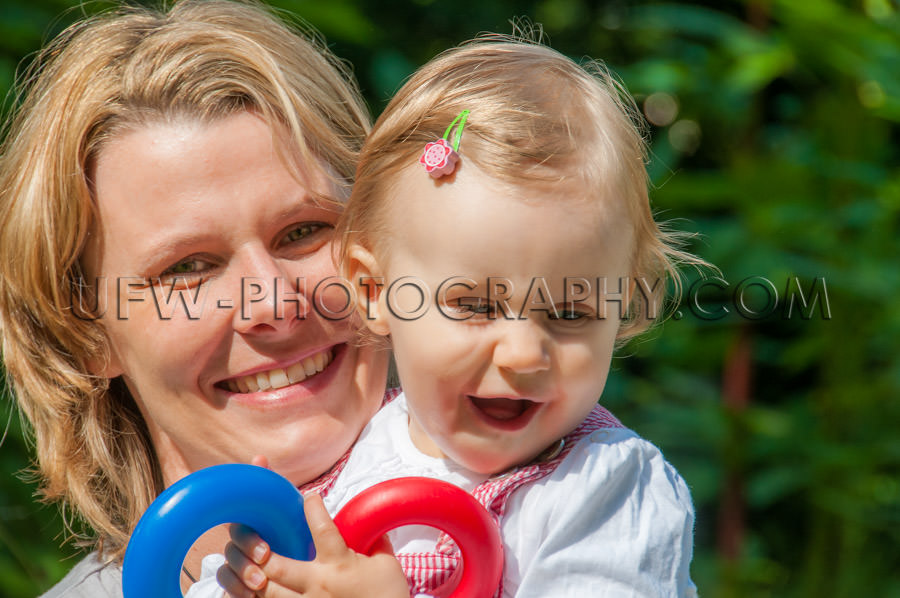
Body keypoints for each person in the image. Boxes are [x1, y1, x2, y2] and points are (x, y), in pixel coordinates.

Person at [218, 36, 705, 597]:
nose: (524, 353)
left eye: (571, 311)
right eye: (475, 306)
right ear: (374, 291)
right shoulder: (342, 463)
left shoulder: (606, 489)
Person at [0, 1, 390, 596]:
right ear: (84, 336)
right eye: (188, 268)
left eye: (305, 230)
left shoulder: (571, 515)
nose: (273, 302)